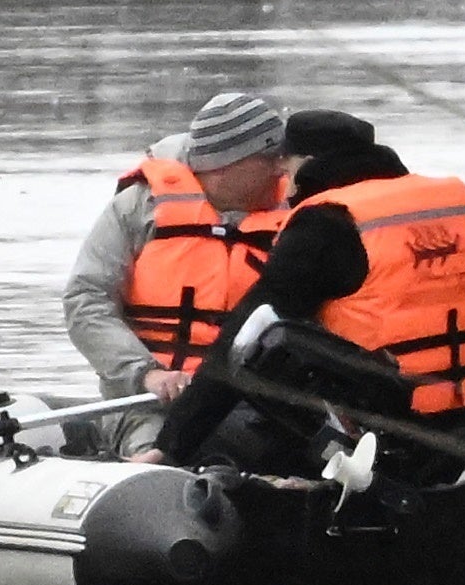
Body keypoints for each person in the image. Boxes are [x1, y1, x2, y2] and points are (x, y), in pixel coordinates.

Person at [155, 108, 465, 479]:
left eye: (286, 167)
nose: (283, 181)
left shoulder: (325, 224)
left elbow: (242, 339)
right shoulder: (441, 215)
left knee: (233, 420)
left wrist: (172, 445)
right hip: (463, 435)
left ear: (308, 164)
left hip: (374, 451)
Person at [64, 86, 294, 449]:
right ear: (224, 165)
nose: (281, 167)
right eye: (269, 158)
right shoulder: (137, 208)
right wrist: (146, 374)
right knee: (156, 453)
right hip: (151, 402)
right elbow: (86, 302)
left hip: (260, 404)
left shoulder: (298, 212)